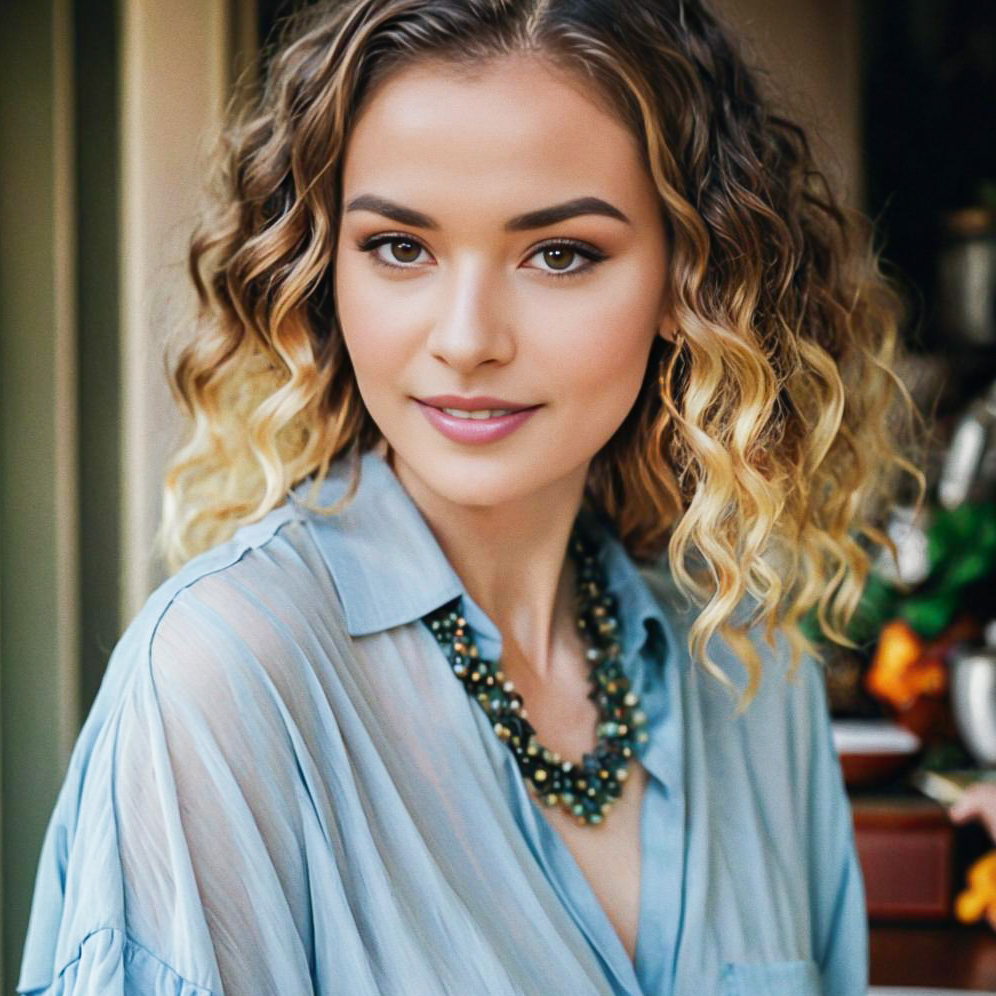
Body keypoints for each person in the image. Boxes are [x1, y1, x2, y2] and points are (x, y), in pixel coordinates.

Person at [17, 1, 924, 994]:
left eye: (561, 253)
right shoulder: (223, 684)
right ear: (327, 271)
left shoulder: (745, 660)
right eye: (400, 247)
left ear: (689, 277)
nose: (466, 339)